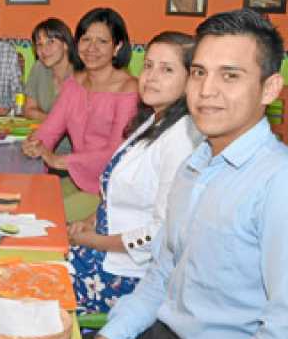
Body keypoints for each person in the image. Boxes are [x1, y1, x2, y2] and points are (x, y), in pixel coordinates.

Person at [76, 9, 288, 339]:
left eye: (230, 76)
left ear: (269, 88)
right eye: (199, 72)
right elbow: (161, 277)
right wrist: (110, 337)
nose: (208, 90)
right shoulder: (197, 166)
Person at [67, 32, 202, 315]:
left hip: (130, 277)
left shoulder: (181, 139)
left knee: (36, 286)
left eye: (167, 69)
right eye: (149, 65)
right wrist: (90, 222)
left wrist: (90, 240)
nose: (151, 76)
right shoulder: (154, 121)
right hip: (105, 253)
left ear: (192, 79)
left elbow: (159, 234)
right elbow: (120, 195)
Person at [22, 8, 138, 223]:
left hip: (108, 187)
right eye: (86, 39)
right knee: (29, 203)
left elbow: (116, 153)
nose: (91, 48)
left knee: (44, 218)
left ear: (117, 47)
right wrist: (35, 143)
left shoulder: (129, 90)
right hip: (79, 176)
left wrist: (58, 160)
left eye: (102, 41)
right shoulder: (74, 84)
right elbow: (51, 127)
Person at [23, 18, 81, 122]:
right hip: (47, 135)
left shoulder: (83, 73)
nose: (44, 50)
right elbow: (29, 110)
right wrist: (56, 122)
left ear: (65, 45)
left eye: (51, 42)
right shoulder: (39, 68)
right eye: (39, 44)